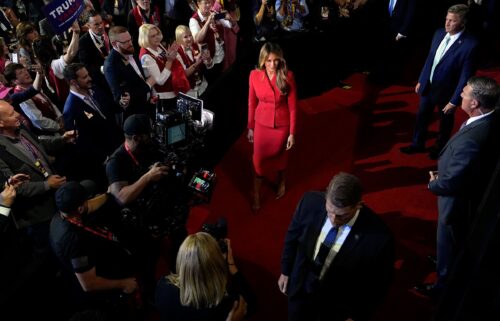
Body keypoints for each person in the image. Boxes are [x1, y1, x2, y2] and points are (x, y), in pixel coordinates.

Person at [415, 76, 500, 299]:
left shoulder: (473, 138)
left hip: (454, 200)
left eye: (464, 92)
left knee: (448, 239)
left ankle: (442, 286)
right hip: (459, 188)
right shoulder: (487, 120)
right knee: (448, 242)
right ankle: (444, 260)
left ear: (475, 103)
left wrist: (434, 183)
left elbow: (453, 181)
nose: (460, 94)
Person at [278, 172, 395, 321]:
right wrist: (286, 270)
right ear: (326, 196)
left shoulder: (380, 239)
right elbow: (293, 237)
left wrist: (356, 315)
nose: (333, 220)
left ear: (359, 205)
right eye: (330, 212)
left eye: (342, 216)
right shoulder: (309, 202)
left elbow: (378, 284)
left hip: (336, 303)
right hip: (300, 286)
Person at [400, 4, 478, 159]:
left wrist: (454, 101)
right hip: (428, 87)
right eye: (446, 19)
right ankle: (417, 144)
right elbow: (430, 59)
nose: (447, 23)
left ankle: (439, 148)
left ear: (462, 23)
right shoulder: (439, 33)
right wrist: (421, 80)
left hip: (447, 93)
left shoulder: (470, 45)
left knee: (445, 123)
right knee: (421, 116)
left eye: (452, 21)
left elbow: (465, 76)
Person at [49, 180, 139, 314]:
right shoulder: (73, 241)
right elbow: (89, 284)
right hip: (103, 287)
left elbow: (91, 205)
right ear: (79, 208)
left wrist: (109, 195)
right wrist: (124, 283)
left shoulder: (62, 214)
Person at [0, 100, 75, 257]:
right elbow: (12, 188)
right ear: (1, 123)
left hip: (57, 200)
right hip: (39, 216)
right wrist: (46, 185)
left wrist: (61, 139)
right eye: (12, 113)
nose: (18, 115)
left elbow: (39, 144)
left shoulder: (20, 128)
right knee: (55, 255)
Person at [155, 232, 251, 321]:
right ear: (217, 267)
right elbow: (250, 304)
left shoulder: (163, 286)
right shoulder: (223, 305)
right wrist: (231, 264)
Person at [247, 42, 297, 211]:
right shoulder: (254, 75)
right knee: (258, 159)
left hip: (282, 126)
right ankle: (255, 194)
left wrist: (292, 133)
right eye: (268, 61)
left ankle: (281, 180)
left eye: (276, 61)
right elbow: (251, 103)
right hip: (261, 123)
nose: (272, 65)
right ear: (262, 60)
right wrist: (250, 127)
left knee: (281, 155)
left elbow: (293, 107)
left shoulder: (288, 76)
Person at [63, 63, 123, 188]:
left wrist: (122, 104)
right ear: (73, 82)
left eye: (88, 75)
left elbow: (110, 108)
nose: (89, 78)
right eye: (84, 77)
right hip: (105, 158)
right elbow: (81, 143)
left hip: (119, 144)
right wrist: (104, 158)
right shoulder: (70, 109)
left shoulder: (95, 89)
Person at [104, 26, 156, 120]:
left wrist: (150, 94)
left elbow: (140, 78)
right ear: (114, 44)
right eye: (125, 42)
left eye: (130, 39)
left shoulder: (129, 50)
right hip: (133, 114)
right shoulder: (111, 65)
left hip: (147, 105)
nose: (130, 43)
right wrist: (148, 85)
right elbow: (121, 97)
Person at [138, 23, 190, 111]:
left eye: (157, 34)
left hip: (173, 91)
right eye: (153, 36)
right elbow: (160, 81)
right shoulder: (146, 56)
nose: (157, 37)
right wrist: (170, 61)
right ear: (146, 39)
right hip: (163, 98)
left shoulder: (158, 45)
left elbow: (166, 59)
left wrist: (171, 54)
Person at [78, 10, 112, 94]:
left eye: (101, 22)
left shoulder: (110, 32)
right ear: (88, 25)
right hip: (103, 81)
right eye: (96, 24)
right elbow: (86, 66)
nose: (101, 26)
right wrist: (102, 69)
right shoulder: (83, 42)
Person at [175, 25, 209, 98]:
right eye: (185, 37)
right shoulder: (177, 54)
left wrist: (208, 58)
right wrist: (197, 63)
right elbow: (185, 74)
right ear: (179, 39)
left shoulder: (195, 44)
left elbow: (209, 65)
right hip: (191, 92)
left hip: (203, 85)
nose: (190, 38)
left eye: (190, 35)